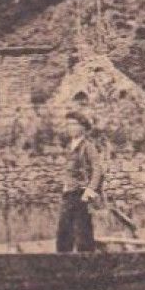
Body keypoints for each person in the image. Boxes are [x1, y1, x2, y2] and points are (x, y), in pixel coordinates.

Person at [56, 106, 106, 253]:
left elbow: (98, 170)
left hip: (81, 194)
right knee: (64, 231)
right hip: (68, 194)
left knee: (82, 232)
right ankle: (62, 262)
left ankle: (87, 264)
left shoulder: (88, 146)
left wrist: (90, 190)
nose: (70, 128)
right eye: (68, 124)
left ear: (83, 128)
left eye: (74, 124)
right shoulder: (69, 147)